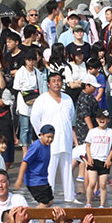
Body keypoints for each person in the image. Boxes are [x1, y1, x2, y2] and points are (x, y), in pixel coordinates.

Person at [29, 69, 78, 203]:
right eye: (54, 81)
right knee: (49, 170)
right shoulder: (42, 99)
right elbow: (34, 118)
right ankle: (46, 198)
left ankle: (70, 197)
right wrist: (42, 136)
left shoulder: (67, 98)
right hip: (49, 141)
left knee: (67, 169)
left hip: (66, 139)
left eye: (59, 81)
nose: (57, 84)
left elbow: (71, 116)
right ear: (49, 84)